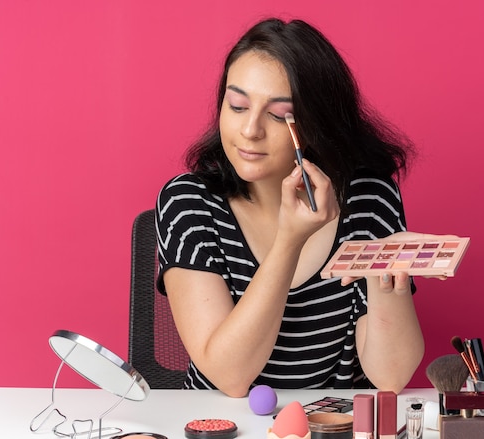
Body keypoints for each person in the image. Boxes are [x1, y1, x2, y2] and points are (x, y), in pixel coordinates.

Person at [156, 17, 430, 397]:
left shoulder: (369, 198)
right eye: (237, 106)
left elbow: (390, 377)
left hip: (333, 424)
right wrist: (289, 242)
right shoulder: (189, 202)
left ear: (318, 124)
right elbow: (230, 376)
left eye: (277, 115)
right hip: (222, 423)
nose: (250, 130)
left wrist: (387, 281)